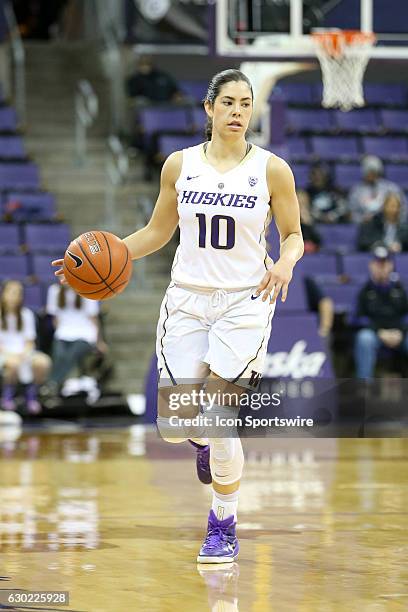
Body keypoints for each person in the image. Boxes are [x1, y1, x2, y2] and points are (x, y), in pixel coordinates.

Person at [53, 69, 304, 563]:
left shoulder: (273, 170)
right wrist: (104, 254)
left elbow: (293, 234)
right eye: (228, 102)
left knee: (219, 416)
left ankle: (223, 525)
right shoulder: (179, 165)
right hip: (187, 300)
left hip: (245, 303)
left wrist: (285, 262)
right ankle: (202, 443)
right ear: (209, 109)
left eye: (245, 103)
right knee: (174, 424)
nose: (238, 111)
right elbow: (157, 231)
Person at [354, 246, 408, 379]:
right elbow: (359, 318)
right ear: (371, 266)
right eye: (378, 264)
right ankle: (365, 385)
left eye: (384, 263)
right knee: (364, 339)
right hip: (375, 333)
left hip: (399, 333)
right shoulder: (365, 291)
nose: (381, 267)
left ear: (391, 265)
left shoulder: (400, 289)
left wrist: (401, 331)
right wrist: (379, 331)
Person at [0, 280, 51, 413]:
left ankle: (31, 396)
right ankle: (7, 397)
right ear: (3, 294)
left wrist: (24, 354)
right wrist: (10, 355)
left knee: (43, 362)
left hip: (23, 353)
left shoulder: (26, 314)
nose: (13, 296)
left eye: (17, 293)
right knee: (13, 364)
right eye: (10, 292)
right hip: (4, 353)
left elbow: (30, 341)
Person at [46, 284, 101, 390]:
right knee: (59, 354)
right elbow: (55, 318)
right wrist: (59, 331)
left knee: (71, 354)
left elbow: (94, 318)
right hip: (63, 333)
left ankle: (52, 383)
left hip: (85, 334)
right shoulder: (54, 290)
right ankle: (54, 385)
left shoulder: (88, 288)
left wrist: (99, 341)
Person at [349, 155, 406, 223]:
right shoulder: (356, 190)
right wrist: (362, 219)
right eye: (369, 171)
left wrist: (395, 221)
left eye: (374, 171)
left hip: (388, 226)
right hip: (365, 227)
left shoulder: (391, 188)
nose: (371, 174)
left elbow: (404, 208)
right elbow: (351, 213)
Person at [297, 189, 321, 253]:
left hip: (311, 252)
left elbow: (318, 241)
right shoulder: (285, 217)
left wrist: (308, 223)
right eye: (299, 201)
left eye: (304, 201)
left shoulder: (313, 215)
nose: (301, 204)